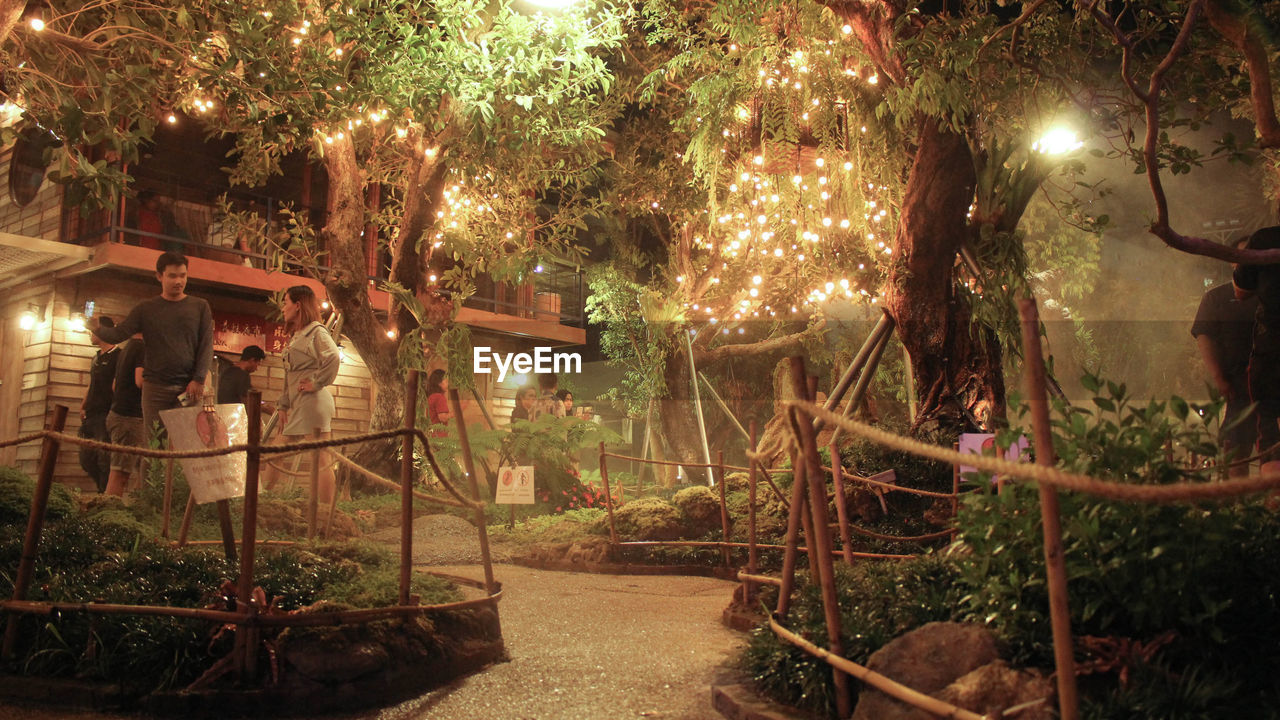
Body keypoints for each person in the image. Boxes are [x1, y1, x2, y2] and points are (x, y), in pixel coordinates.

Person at [92, 251, 215, 442]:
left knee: (188, 443)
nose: (178, 281)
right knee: (154, 444)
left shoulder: (200, 307)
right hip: (155, 387)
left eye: (183, 275)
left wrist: (199, 379)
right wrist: (98, 329)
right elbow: (120, 333)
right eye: (172, 276)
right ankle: (152, 474)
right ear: (159, 276)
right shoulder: (146, 308)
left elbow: (206, 345)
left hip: (189, 387)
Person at [1193, 238, 1259, 476]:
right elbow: (1204, 336)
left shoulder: (1271, 295)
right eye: (1243, 256)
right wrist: (1219, 377)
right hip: (1238, 387)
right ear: (1233, 261)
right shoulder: (1217, 298)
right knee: (1235, 452)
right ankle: (1238, 507)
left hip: (1272, 384)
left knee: (1272, 452)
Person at [276, 285, 340, 506]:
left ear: (297, 305)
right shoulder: (298, 335)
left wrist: (316, 382)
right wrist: (283, 405)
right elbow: (290, 376)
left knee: (282, 450)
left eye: (285, 302)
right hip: (303, 402)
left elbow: (333, 356)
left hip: (312, 401)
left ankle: (264, 497)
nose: (283, 307)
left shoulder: (316, 331)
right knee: (320, 456)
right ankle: (325, 508)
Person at [1233, 225, 1280, 475]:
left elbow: (1241, 290)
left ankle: (1273, 510)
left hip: (1272, 351)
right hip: (1270, 354)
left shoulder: (1265, 238)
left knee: (1271, 434)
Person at [79, 317, 119, 493]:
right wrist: (83, 405)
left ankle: (105, 495)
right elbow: (91, 383)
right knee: (86, 458)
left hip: (106, 413)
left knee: (104, 458)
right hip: (91, 413)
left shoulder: (118, 356)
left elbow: (117, 386)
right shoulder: (95, 358)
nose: (90, 334)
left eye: (93, 330)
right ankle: (100, 489)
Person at [104, 335, 145, 497]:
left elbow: (115, 385)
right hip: (129, 418)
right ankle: (109, 515)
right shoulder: (141, 347)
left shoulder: (127, 348)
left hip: (119, 414)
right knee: (120, 474)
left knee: (142, 470)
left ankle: (133, 511)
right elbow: (140, 381)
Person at [426, 369, 452, 438]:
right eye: (446, 381)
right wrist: (457, 412)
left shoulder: (431, 396)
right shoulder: (439, 397)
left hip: (431, 435)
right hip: (439, 437)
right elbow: (443, 418)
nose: (448, 384)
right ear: (439, 383)